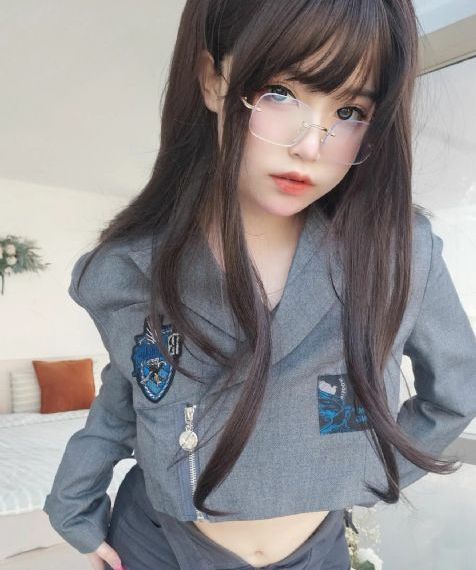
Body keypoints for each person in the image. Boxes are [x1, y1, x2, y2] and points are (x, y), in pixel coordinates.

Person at [43, 1, 476, 569]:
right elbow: (129, 392)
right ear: (213, 80)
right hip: (156, 542)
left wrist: (358, 473)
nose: (310, 145)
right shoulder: (133, 266)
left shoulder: (397, 254)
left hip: (313, 552)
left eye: (349, 110)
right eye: (280, 92)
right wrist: (74, 508)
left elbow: (455, 394)